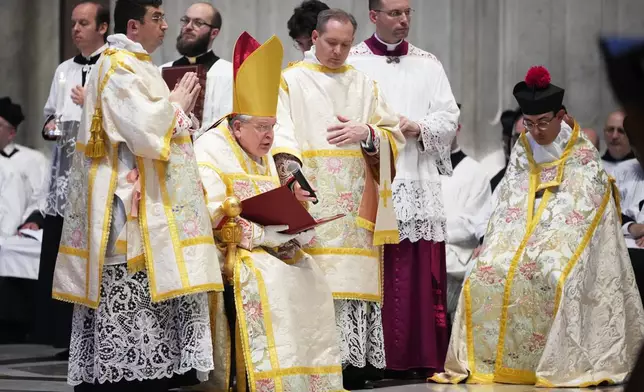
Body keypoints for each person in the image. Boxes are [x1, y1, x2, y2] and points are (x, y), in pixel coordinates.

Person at [431, 66, 644, 387]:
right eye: (529, 124)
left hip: (568, 240)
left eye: (544, 122)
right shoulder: (524, 147)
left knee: (555, 274)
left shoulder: (581, 151)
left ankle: (555, 362)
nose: (537, 130)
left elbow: (586, 204)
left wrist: (549, 237)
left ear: (561, 116)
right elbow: (509, 202)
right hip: (520, 237)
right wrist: (501, 241)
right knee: (484, 272)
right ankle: (493, 363)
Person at [52, 0, 223, 390]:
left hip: (141, 201)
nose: (165, 27)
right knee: (131, 304)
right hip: (126, 208)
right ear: (134, 25)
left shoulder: (133, 63)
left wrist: (173, 109)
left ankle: (145, 372)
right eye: (157, 18)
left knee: (148, 301)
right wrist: (176, 106)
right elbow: (146, 133)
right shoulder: (120, 66)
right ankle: (128, 377)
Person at [195, 31, 343, 392]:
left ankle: (307, 381)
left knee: (312, 275)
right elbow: (212, 213)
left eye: (273, 128)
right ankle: (266, 380)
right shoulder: (210, 148)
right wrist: (262, 236)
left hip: (269, 246)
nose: (269, 138)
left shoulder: (261, 155)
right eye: (262, 128)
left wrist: (297, 226)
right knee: (273, 280)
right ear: (237, 125)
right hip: (230, 250)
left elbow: (272, 203)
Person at [273, 9, 405, 390]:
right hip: (311, 197)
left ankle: (354, 363)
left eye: (346, 45)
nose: (338, 51)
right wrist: (291, 178)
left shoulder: (364, 84)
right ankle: (316, 362)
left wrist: (367, 133)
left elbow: (392, 135)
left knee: (351, 280)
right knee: (316, 280)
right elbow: (280, 135)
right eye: (331, 43)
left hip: (355, 202)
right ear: (314, 37)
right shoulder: (290, 81)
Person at [348, 0, 460, 377]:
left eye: (408, 13)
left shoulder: (429, 63)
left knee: (415, 270)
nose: (404, 20)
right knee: (375, 270)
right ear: (373, 16)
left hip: (417, 177)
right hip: (372, 177)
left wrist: (420, 128)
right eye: (395, 13)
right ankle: (371, 362)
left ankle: (419, 357)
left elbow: (449, 116)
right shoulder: (354, 61)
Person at [34, 0, 110, 354]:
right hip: (65, 176)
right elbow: (50, 117)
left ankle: (98, 333)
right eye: (73, 23)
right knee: (62, 253)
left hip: (100, 174)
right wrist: (51, 126)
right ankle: (63, 334)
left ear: (103, 28)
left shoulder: (114, 64)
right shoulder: (64, 69)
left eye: (84, 23)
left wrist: (92, 100)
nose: (76, 29)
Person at [440, 105, 492, 322]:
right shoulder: (416, 170)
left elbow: (473, 223)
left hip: (455, 271)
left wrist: (430, 228)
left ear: (458, 127)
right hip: (420, 263)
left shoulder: (474, 171)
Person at [161, 2, 232, 133]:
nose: (188, 27)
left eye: (198, 23)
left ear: (214, 33)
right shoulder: (160, 71)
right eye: (186, 20)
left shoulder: (229, 73)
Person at [0, 97, 48, 224]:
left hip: (20, 234)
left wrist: (35, 220)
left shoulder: (34, 160)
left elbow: (42, 199)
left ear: (11, 133)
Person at [602, 110, 635, 175]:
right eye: (610, 129)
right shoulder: (593, 168)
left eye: (621, 131)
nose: (614, 136)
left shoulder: (640, 169)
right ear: (604, 133)